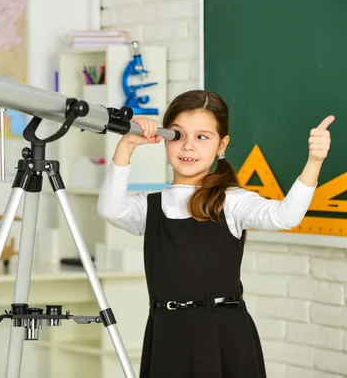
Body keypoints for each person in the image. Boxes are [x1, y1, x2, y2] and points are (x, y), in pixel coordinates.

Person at [97, 90, 333, 378]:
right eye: (178, 135)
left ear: (222, 145)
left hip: (222, 339)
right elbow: (110, 209)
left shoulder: (232, 200)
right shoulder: (150, 205)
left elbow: (285, 215)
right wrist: (127, 146)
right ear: (164, 138)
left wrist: (315, 160)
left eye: (202, 137)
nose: (188, 147)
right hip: (167, 337)